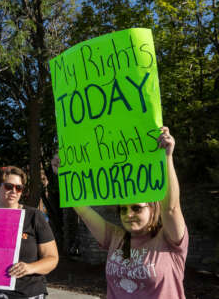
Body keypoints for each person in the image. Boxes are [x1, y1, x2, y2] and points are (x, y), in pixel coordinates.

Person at [58, 127, 188, 298]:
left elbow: (171, 208)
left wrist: (166, 157)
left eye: (136, 208)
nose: (128, 214)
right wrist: (64, 172)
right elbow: (83, 211)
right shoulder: (115, 237)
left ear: (153, 208)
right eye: (123, 209)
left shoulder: (169, 239)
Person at [0, 166, 59, 299]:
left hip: (27, 293)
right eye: (8, 186)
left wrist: (30, 267)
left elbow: (52, 258)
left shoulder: (34, 216)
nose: (14, 191)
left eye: (19, 188)